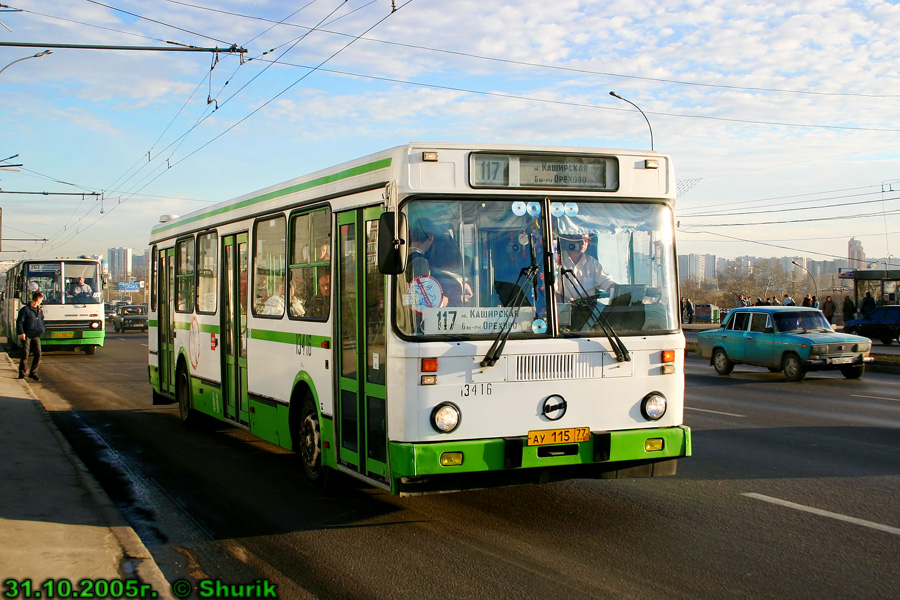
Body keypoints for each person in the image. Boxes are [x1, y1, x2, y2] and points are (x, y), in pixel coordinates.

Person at [559, 234, 615, 300]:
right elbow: (551, 289)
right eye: (579, 239)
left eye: (586, 240)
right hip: (561, 309)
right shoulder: (556, 261)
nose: (583, 243)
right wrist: (565, 299)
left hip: (588, 309)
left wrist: (619, 290)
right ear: (569, 240)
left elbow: (605, 281)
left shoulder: (591, 263)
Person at [16, 291, 45, 381]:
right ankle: (22, 372)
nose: (41, 302)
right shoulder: (25, 310)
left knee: (38, 354)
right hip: (27, 334)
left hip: (36, 335)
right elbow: (20, 322)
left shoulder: (39, 310)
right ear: (36, 300)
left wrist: (43, 328)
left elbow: (42, 320)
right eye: (40, 300)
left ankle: (33, 373)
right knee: (25, 354)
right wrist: (21, 332)